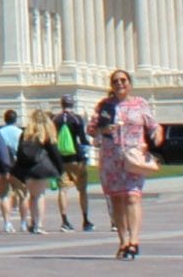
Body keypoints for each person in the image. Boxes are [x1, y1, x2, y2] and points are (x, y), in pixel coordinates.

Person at [91, 69, 161, 260]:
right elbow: (91, 129)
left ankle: (134, 240)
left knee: (133, 197)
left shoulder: (140, 104)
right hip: (111, 157)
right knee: (117, 200)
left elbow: (154, 126)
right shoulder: (104, 105)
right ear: (111, 85)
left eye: (123, 80)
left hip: (132, 156)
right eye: (115, 81)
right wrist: (103, 128)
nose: (120, 83)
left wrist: (153, 141)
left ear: (130, 83)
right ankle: (123, 241)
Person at [13, 109, 67, 234]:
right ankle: (39, 224)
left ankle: (33, 221)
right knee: (40, 195)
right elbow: (55, 154)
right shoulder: (46, 134)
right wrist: (60, 170)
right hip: (41, 168)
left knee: (32, 196)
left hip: (27, 168)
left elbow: (19, 153)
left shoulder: (25, 134)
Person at [55, 94, 96, 230]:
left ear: (61, 104)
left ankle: (64, 220)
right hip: (76, 157)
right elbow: (82, 139)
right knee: (82, 189)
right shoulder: (76, 119)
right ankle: (85, 219)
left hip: (60, 158)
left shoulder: (56, 119)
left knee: (63, 189)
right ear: (72, 104)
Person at [0, 108, 23, 233]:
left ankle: (7, 222)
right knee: (23, 195)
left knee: (4, 195)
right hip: (18, 165)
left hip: (3, 165)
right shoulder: (19, 132)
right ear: (15, 119)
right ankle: (23, 223)